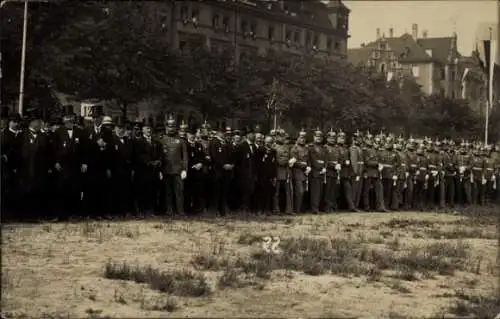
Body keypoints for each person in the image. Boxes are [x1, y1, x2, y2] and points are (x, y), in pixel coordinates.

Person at [52, 106, 87, 219]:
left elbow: (84, 150)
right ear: (63, 119)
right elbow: (54, 149)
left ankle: (74, 214)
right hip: (62, 166)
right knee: (62, 190)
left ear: (74, 118)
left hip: (76, 166)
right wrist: (56, 162)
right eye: (67, 117)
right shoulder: (58, 132)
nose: (69, 119)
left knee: (75, 190)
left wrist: (84, 163)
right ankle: (61, 215)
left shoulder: (80, 132)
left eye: (71, 117)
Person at [160, 116, 188, 215]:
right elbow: (160, 156)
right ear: (166, 127)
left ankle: (180, 211)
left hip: (178, 170)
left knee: (179, 192)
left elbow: (184, 157)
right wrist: (160, 170)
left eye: (172, 126)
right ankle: (169, 210)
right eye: (169, 126)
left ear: (175, 128)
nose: (170, 128)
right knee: (168, 192)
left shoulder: (181, 140)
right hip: (166, 170)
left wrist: (184, 169)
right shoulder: (162, 140)